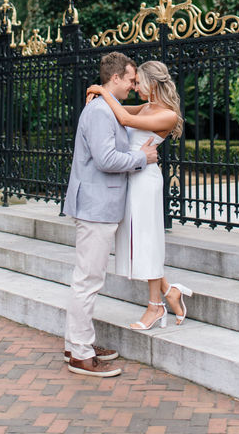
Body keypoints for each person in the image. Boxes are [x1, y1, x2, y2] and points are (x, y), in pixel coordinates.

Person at [63, 51, 159, 378]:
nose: (133, 86)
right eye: (131, 80)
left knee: (88, 278)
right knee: (88, 279)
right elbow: (106, 160)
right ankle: (79, 352)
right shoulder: (101, 112)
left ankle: (78, 343)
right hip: (95, 207)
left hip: (97, 205)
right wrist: (141, 157)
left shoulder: (105, 107)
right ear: (115, 78)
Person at [86, 60, 193, 330]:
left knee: (147, 240)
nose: (135, 87)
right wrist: (101, 93)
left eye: (139, 82)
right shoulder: (147, 106)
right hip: (131, 176)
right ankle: (170, 292)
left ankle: (155, 307)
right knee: (140, 241)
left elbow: (124, 119)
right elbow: (118, 109)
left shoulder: (167, 114)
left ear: (153, 83)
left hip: (146, 181)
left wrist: (100, 89)